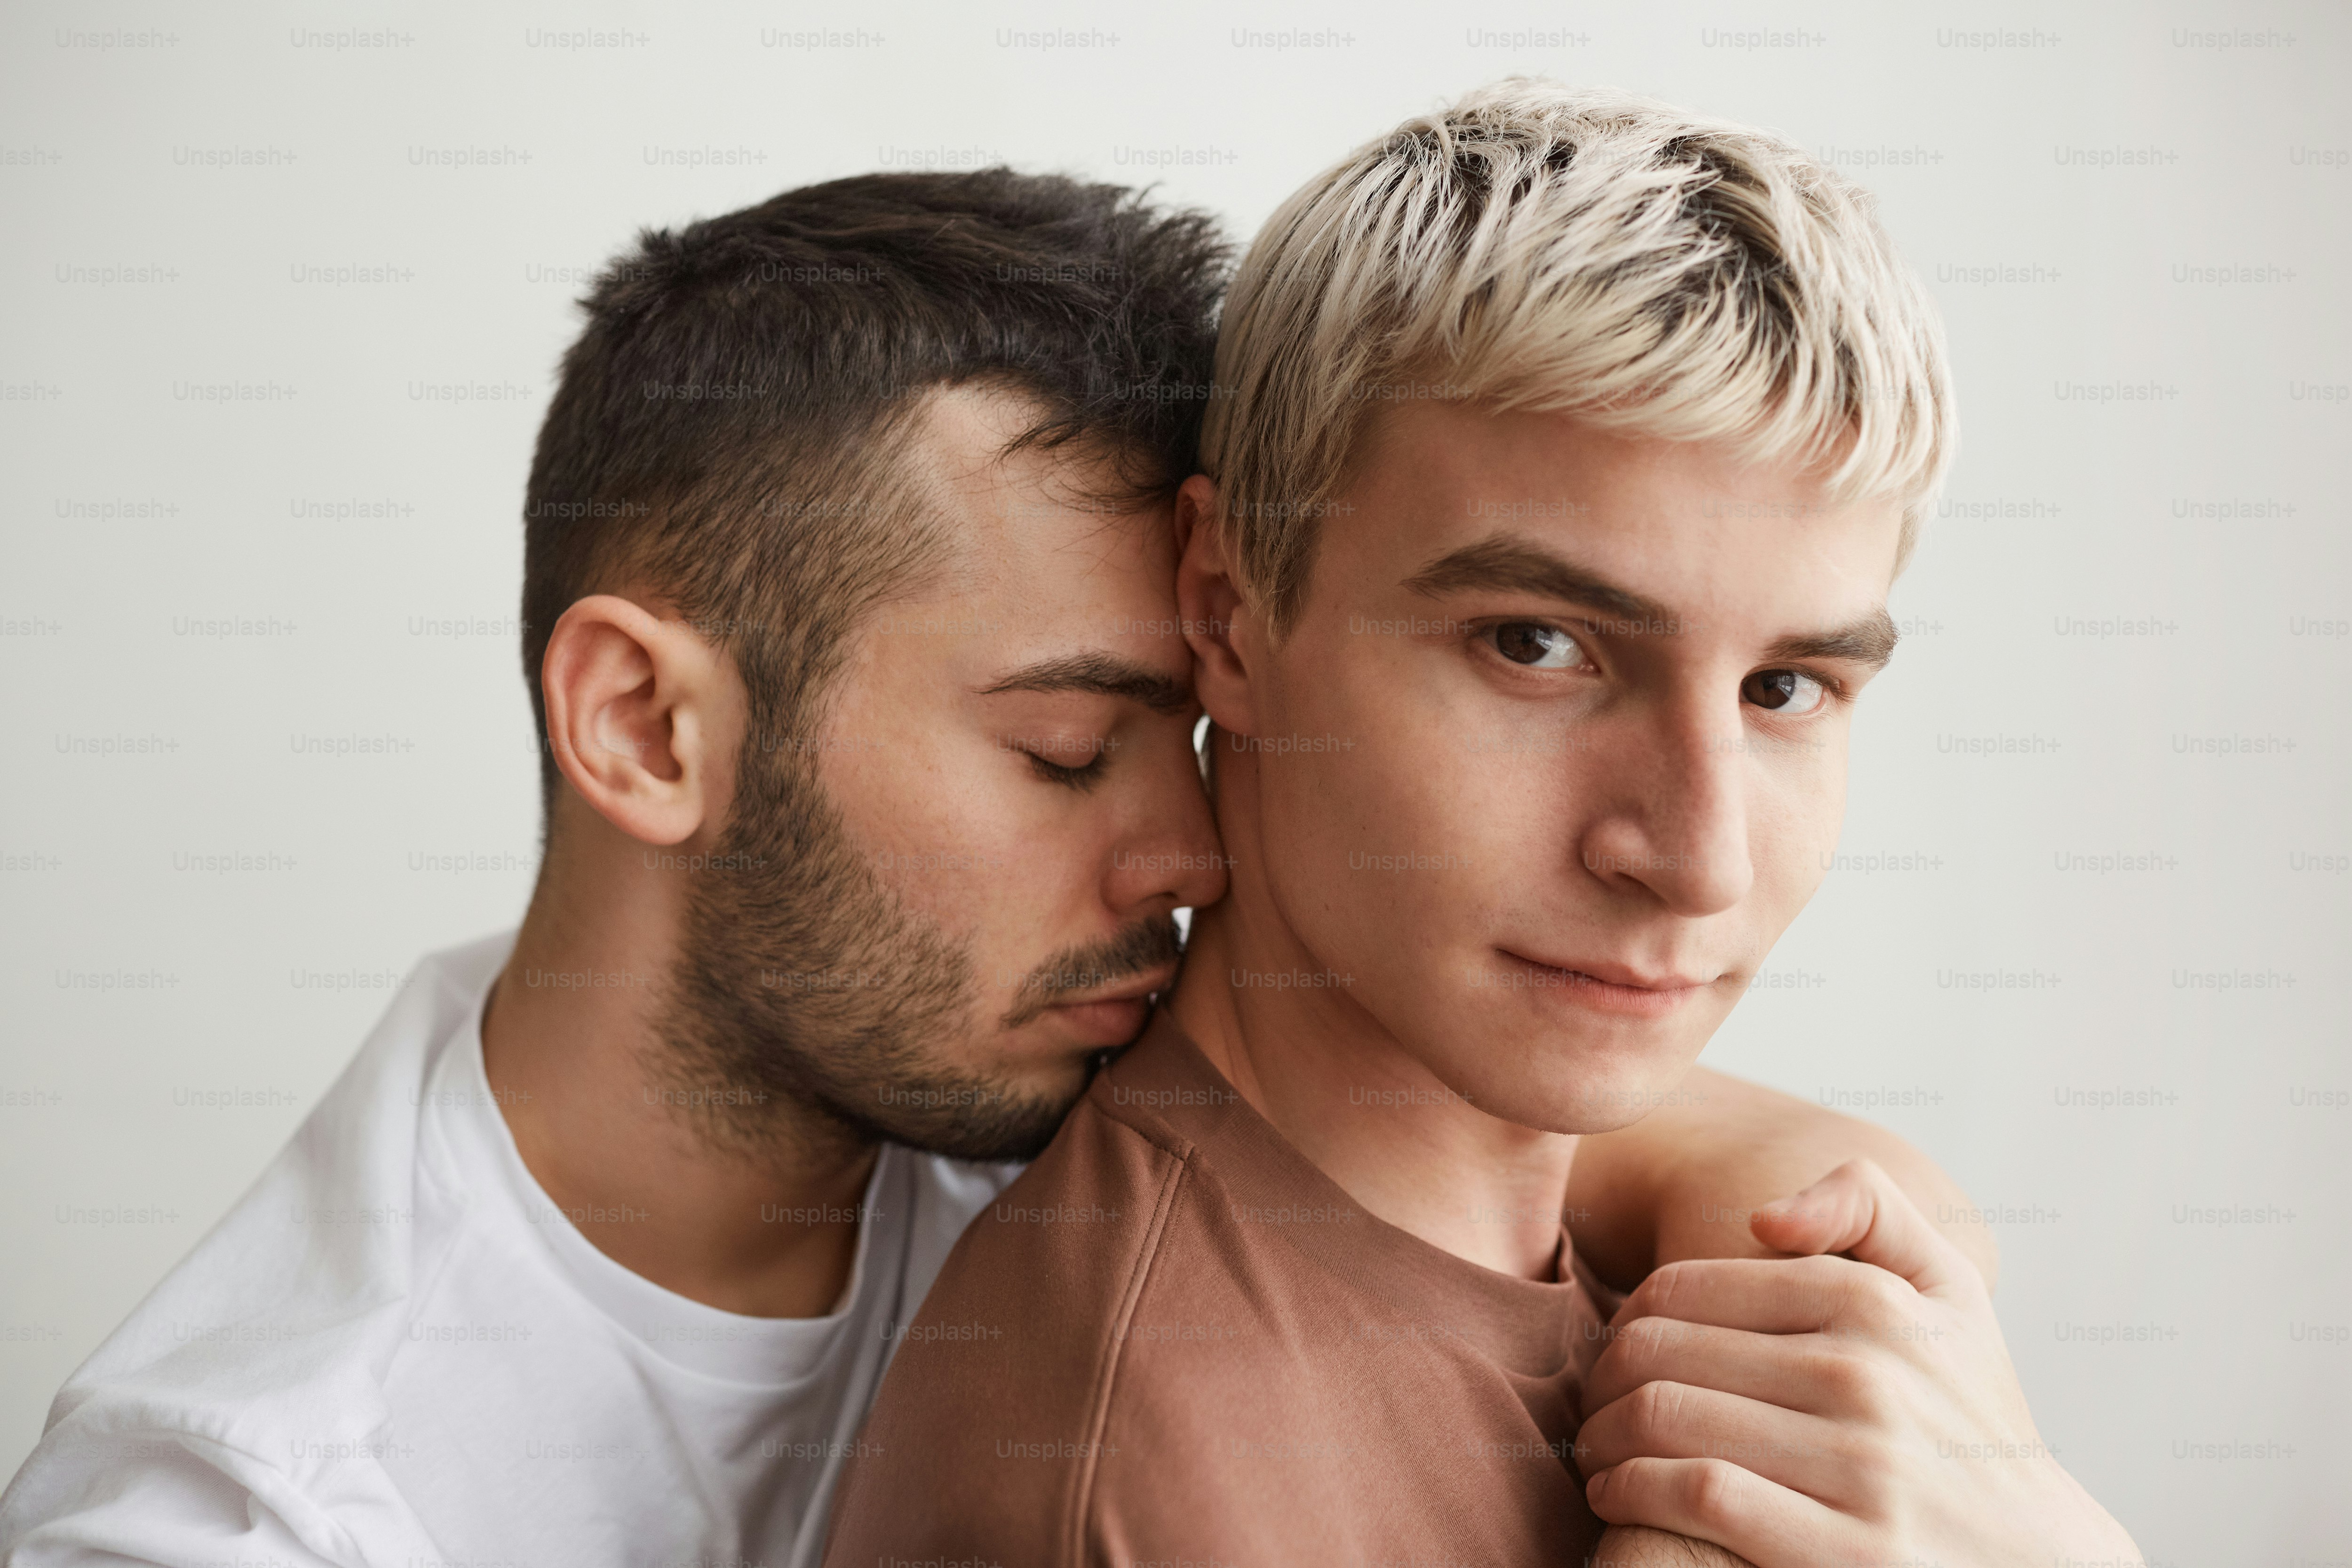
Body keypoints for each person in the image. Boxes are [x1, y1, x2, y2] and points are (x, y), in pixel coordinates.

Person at [4, 166, 1990, 1568]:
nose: (1196, 843)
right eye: (1061, 751)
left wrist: (1892, 1316)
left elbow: (1701, 1149)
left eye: (1192, 721)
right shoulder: (243, 1520)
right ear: (643, 728)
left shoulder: (981, 1066)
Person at [819, 85, 2142, 1568]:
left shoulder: (1677, 1259)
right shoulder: (1138, 1485)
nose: (1695, 859)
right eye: (1536, 645)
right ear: (1229, 606)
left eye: (1787, 686)